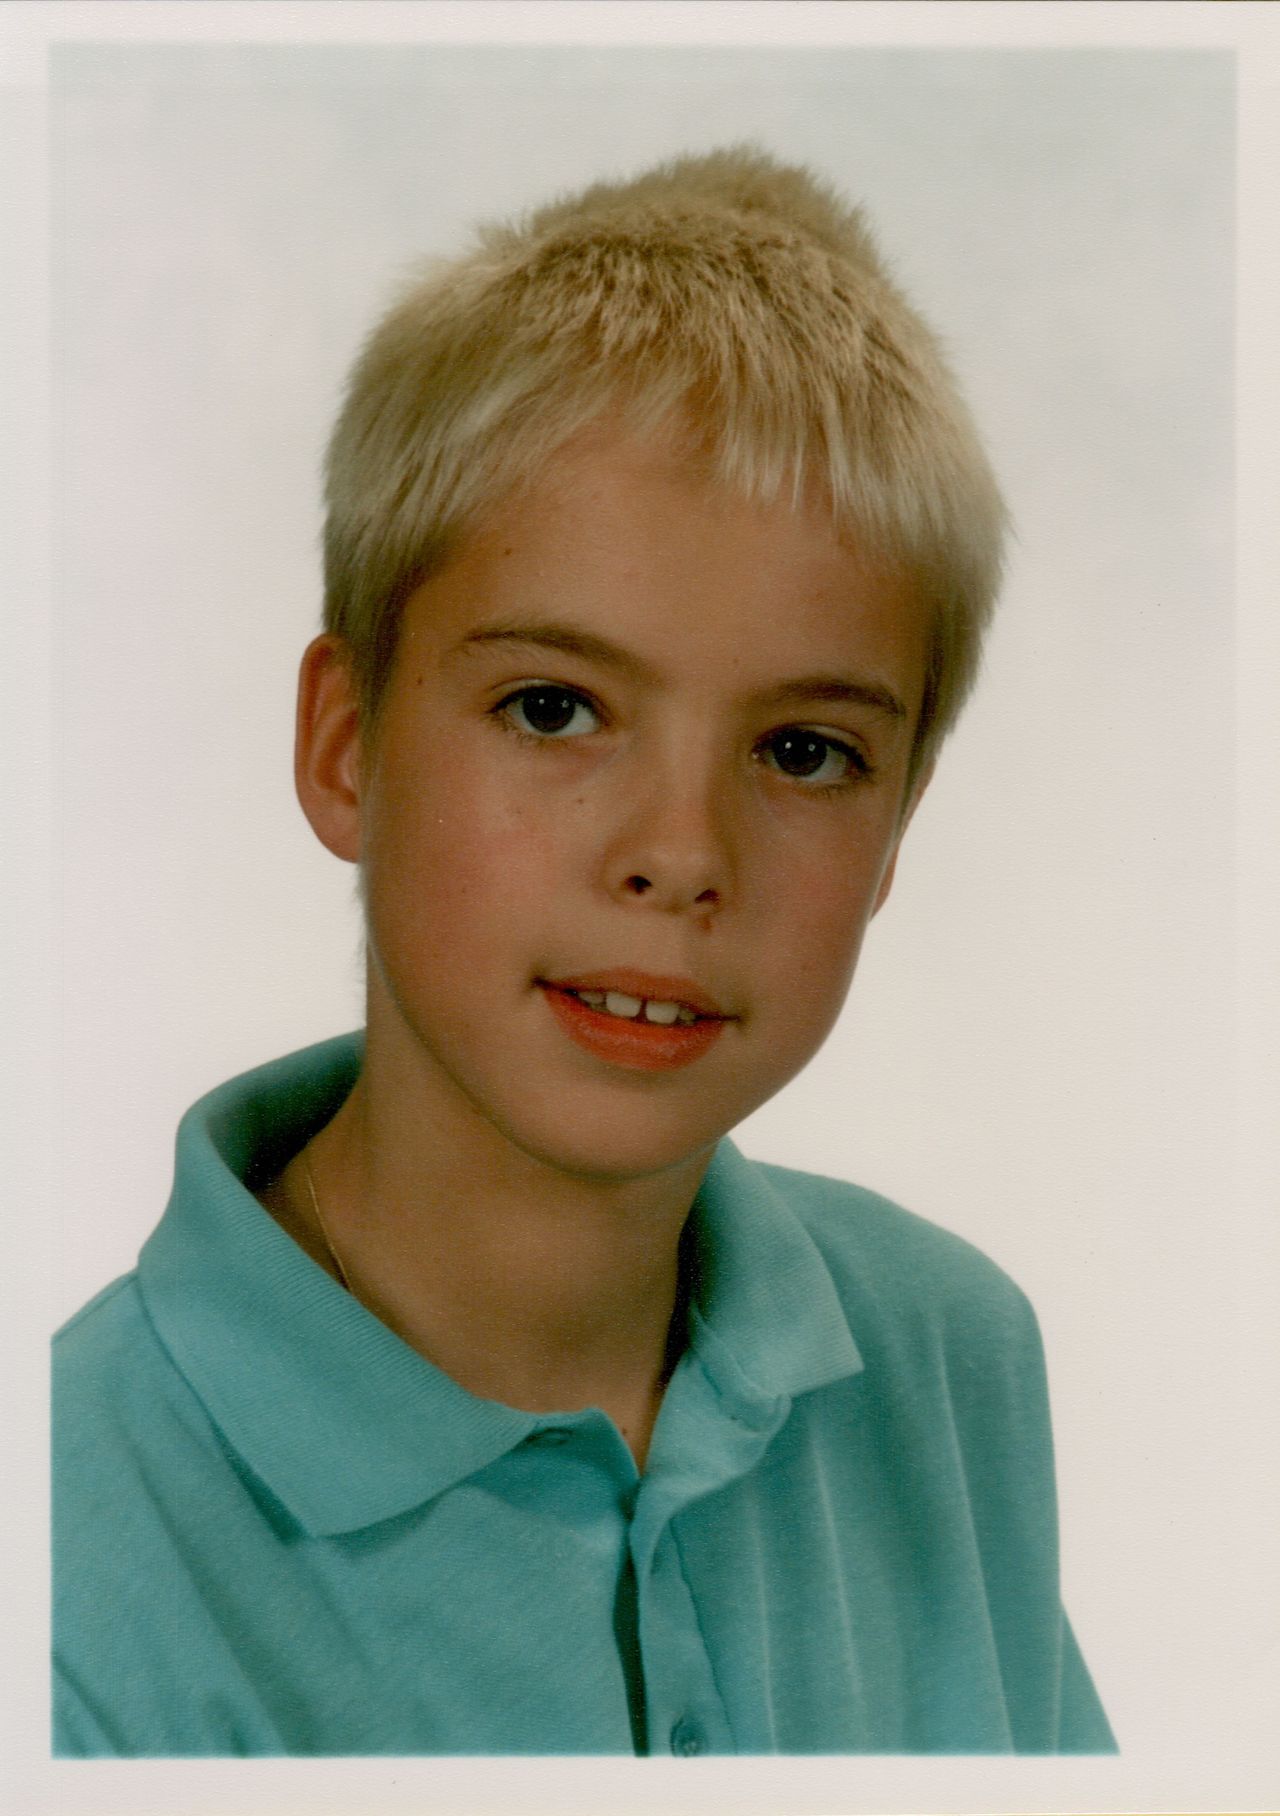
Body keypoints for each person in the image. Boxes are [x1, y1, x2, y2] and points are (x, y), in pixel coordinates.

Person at [52, 146, 1116, 1756]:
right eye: (555, 709)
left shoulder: (944, 1361)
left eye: (807, 751)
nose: (681, 856)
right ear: (349, 749)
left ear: (896, 830)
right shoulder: (67, 1559)